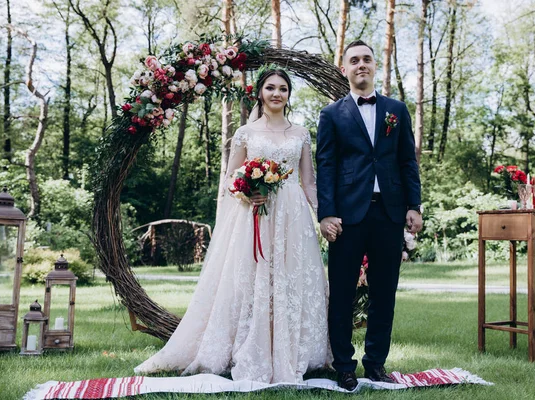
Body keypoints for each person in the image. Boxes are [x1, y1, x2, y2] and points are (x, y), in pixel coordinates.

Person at [134, 68, 331, 383]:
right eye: (270, 88)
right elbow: (230, 178)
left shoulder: (301, 133)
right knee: (250, 281)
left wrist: (322, 216)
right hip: (254, 215)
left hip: (292, 218)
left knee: (291, 280)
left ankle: (293, 352)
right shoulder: (246, 133)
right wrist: (247, 189)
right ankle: (248, 348)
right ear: (260, 93)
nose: (277, 93)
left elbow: (309, 181)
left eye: (283, 88)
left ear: (289, 94)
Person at [316, 40, 423, 391]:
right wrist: (327, 214)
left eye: (367, 59)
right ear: (344, 68)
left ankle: (375, 363)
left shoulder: (397, 110)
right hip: (348, 216)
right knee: (343, 293)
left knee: (384, 293)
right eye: (354, 60)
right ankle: (344, 366)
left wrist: (414, 206)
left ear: (375, 66)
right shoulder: (331, 114)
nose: (361, 65)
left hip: (390, 214)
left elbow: (408, 161)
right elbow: (326, 166)